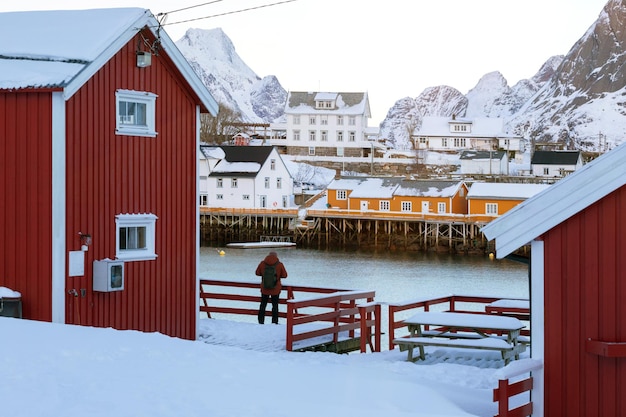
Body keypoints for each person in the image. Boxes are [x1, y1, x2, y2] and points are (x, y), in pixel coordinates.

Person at [255, 251, 288, 324]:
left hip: (265, 288)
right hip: (275, 289)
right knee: (275, 306)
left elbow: (257, 273)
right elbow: (285, 275)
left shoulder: (262, 263)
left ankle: (261, 321)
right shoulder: (279, 264)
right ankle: (274, 322)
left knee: (263, 305)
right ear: (276, 256)